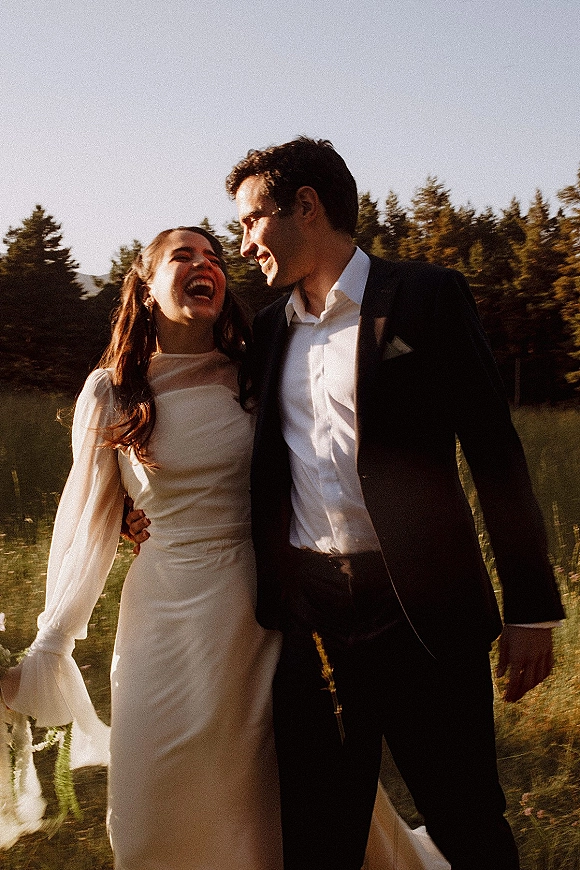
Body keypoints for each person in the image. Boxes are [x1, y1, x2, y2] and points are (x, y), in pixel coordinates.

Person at [219, 137, 565, 870]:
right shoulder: (268, 329)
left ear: (306, 208)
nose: (244, 245)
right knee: (319, 832)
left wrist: (531, 605)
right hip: (313, 619)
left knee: (467, 818)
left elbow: (494, 451)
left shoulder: (425, 297)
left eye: (251, 222)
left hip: (421, 610)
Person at [0, 227, 283, 870]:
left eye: (213, 257)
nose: (204, 264)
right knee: (150, 801)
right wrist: (52, 642)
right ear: (146, 283)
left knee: (260, 800)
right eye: (183, 256)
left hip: (256, 613)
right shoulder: (111, 392)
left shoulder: (258, 373)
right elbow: (89, 525)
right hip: (162, 614)